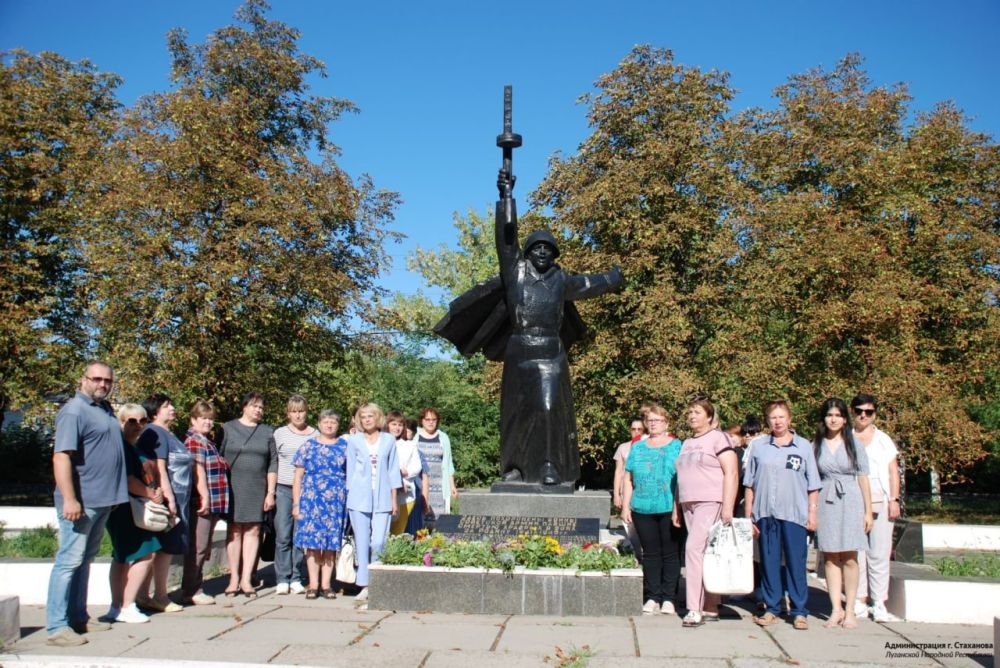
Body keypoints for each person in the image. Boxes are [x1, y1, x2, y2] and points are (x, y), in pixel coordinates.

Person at [433, 168, 623, 486]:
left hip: (550, 351)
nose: (543, 252)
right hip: (519, 348)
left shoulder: (561, 281)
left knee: (549, 408)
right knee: (515, 412)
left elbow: (589, 283)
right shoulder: (516, 273)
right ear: (529, 251)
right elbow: (505, 240)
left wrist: (614, 279)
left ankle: (549, 465)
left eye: (549, 249)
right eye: (537, 248)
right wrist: (506, 196)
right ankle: (515, 468)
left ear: (554, 254)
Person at [46, 360, 128, 646]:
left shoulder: (104, 410)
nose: (103, 384)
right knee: (68, 562)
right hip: (81, 502)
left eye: (107, 380)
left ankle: (78, 617)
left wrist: (114, 495)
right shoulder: (74, 410)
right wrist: (70, 498)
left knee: (84, 561)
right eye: (97, 379)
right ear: (84, 380)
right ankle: (57, 627)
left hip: (103, 501)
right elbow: (61, 457)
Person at [744, 399, 821, 630]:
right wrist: (749, 515)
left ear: (789, 419)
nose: (777, 421)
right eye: (772, 417)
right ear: (767, 421)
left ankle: (799, 610)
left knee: (796, 563)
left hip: (794, 513)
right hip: (765, 513)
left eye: (781, 417)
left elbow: (813, 485)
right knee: (769, 562)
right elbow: (750, 484)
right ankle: (771, 607)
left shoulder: (803, 446)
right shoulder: (758, 447)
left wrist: (812, 513)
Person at [675, 398, 739, 627]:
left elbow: (731, 472)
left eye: (698, 412)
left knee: (692, 549)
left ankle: (694, 608)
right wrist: (677, 507)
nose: (692, 416)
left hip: (710, 500)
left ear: (710, 416)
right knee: (702, 553)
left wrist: (728, 507)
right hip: (688, 503)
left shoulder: (719, 438)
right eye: (690, 412)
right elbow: (681, 476)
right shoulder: (686, 443)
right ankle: (711, 604)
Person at [813, 398, 873, 628]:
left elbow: (863, 477)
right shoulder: (816, 444)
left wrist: (868, 512)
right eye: (829, 415)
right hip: (826, 499)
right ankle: (835, 608)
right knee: (830, 556)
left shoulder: (853, 443)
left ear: (845, 419)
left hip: (850, 498)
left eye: (838, 415)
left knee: (849, 556)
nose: (834, 419)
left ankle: (850, 610)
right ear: (824, 418)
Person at [100, 404, 159, 625]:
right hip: (125, 507)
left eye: (142, 421)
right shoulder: (122, 447)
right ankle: (127, 605)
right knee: (145, 553)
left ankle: (117, 607)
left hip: (128, 506)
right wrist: (151, 494)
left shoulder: (133, 447)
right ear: (121, 421)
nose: (138, 426)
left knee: (122, 557)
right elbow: (129, 480)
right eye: (132, 421)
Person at [620, 405, 682, 616]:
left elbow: (682, 480)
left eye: (658, 419)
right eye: (650, 420)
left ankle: (669, 598)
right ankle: (652, 596)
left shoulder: (677, 446)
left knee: (671, 553)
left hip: (668, 506)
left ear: (667, 422)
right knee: (650, 554)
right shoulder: (637, 447)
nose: (653, 423)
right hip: (642, 506)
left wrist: (678, 508)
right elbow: (628, 478)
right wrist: (625, 505)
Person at [135, 393, 193, 613]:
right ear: (154, 411)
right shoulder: (154, 432)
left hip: (179, 497)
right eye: (167, 406)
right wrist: (169, 499)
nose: (172, 408)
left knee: (165, 547)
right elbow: (160, 468)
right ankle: (160, 595)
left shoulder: (167, 432)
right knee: (165, 547)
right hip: (169, 499)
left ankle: (143, 594)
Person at [219, 392, 277, 598]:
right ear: (244, 407)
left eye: (261, 407)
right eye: (255, 406)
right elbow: (218, 456)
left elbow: (273, 463)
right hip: (233, 488)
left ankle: (246, 578)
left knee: (253, 531)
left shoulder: (268, 432)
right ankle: (233, 578)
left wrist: (270, 493)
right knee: (234, 531)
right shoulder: (227, 428)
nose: (259, 410)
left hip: (257, 488)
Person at [851, 393, 901, 622]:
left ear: (874, 414)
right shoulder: (846, 438)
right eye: (859, 411)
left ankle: (878, 601)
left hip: (881, 499)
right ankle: (859, 599)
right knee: (856, 553)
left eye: (868, 412)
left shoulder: (883, 439)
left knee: (879, 552)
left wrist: (894, 500)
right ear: (852, 412)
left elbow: (893, 470)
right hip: (854, 501)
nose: (863, 415)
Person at [345, 403, 402, 602]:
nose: (367, 419)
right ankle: (365, 584)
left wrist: (394, 499)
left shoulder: (388, 440)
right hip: (359, 497)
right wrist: (349, 496)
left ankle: (378, 581)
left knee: (379, 541)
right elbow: (350, 471)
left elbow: (393, 471)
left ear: (377, 418)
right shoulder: (353, 441)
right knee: (362, 541)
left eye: (370, 416)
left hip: (383, 496)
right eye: (363, 417)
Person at [293, 409, 348, 599]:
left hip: (335, 500)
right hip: (311, 499)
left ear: (338, 425)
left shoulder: (345, 446)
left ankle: (326, 585)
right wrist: (296, 504)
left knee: (331, 544)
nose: (329, 425)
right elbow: (298, 477)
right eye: (326, 421)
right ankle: (313, 584)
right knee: (313, 543)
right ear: (319, 423)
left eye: (333, 422)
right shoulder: (308, 446)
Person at [180, 400, 230, 606]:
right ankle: (191, 590)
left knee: (203, 546)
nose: (208, 422)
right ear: (193, 419)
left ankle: (195, 586)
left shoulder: (207, 441)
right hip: (203, 502)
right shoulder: (194, 441)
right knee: (198, 547)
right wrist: (205, 497)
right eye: (203, 418)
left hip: (214, 502)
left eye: (210, 419)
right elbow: (197, 469)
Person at [271, 395, 316, 595]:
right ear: (288, 413)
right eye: (294, 411)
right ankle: (282, 577)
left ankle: (296, 576)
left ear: (307, 411)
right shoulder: (279, 434)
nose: (298, 415)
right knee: (283, 534)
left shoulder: (314, 434)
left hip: (306, 491)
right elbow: (272, 461)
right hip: (283, 488)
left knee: (300, 535)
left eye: (301, 411)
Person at [613, 416, 646, 558]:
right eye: (633, 429)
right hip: (625, 491)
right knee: (628, 525)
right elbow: (618, 471)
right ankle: (635, 554)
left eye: (640, 429)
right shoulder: (623, 447)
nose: (636, 432)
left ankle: (645, 554)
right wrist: (616, 494)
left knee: (643, 526)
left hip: (642, 490)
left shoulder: (649, 445)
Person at [415, 407, 456, 523]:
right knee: (419, 518)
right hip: (420, 484)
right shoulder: (415, 436)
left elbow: (448, 463)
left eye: (433, 419)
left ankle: (437, 541)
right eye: (427, 419)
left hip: (439, 485)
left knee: (438, 521)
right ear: (422, 420)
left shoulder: (443, 437)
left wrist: (452, 485)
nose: (430, 422)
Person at [386, 411, 422, 535]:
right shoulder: (380, 443)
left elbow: (416, 467)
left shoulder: (409, 445)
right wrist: (398, 477)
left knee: (397, 532)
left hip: (405, 496)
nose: (397, 428)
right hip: (383, 496)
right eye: (393, 424)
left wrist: (404, 476)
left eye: (400, 425)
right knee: (383, 533)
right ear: (387, 425)